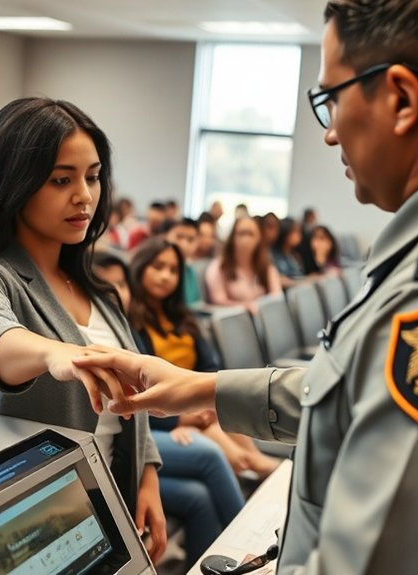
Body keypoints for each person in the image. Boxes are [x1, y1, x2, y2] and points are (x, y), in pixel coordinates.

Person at [73, 2, 418, 573]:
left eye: (331, 98)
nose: (331, 132)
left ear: (402, 99)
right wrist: (198, 388)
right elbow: (357, 389)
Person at [0, 97, 166, 562]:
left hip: (105, 499)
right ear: (13, 185)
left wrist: (148, 474)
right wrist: (55, 354)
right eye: (62, 180)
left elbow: (126, 397)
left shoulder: (95, 288)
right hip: (23, 518)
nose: (84, 194)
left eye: (93, 176)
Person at [93, 247, 245, 569]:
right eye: (105, 286)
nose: (116, 294)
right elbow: (133, 408)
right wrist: (180, 421)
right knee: (210, 454)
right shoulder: (115, 331)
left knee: (199, 498)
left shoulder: (132, 328)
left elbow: (210, 365)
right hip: (123, 445)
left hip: (149, 434)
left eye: (121, 285)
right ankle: (250, 545)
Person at [126, 237, 278, 476]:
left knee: (229, 412)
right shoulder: (130, 323)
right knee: (236, 452)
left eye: (173, 270)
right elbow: (138, 391)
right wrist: (180, 419)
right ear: (139, 268)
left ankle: (259, 464)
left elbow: (209, 365)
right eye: (157, 267)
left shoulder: (182, 317)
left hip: (197, 401)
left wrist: (203, 400)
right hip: (166, 410)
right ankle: (260, 467)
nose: (166, 276)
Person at [204, 216, 281, 313]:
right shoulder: (217, 267)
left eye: (250, 234)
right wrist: (245, 307)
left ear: (259, 239)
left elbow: (277, 298)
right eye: (241, 233)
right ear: (233, 238)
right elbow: (218, 300)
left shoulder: (267, 268)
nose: (246, 239)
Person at [163, 218, 202, 305]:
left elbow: (196, 303)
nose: (184, 244)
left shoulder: (190, 270)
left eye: (190, 240)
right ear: (166, 236)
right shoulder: (159, 268)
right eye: (179, 237)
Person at [271, 217, 306, 286]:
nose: (298, 235)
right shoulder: (273, 255)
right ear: (285, 232)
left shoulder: (295, 255)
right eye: (295, 231)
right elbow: (279, 280)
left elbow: (298, 276)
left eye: (299, 231)